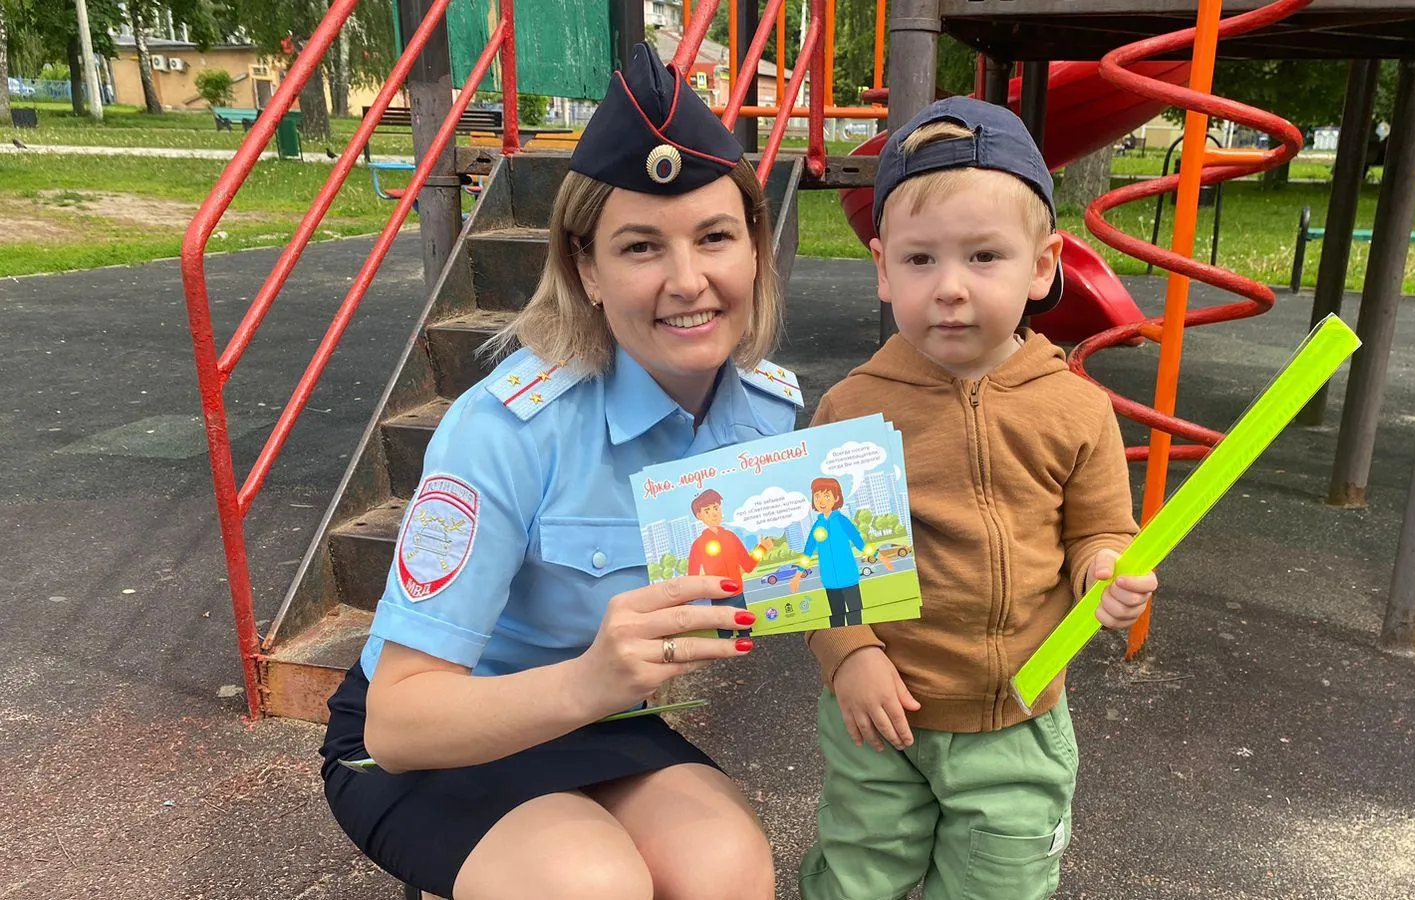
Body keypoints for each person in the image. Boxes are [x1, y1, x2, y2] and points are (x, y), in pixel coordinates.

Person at [318, 42, 801, 900]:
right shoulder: (502, 430)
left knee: (726, 869)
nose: (688, 281)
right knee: (590, 884)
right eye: (642, 247)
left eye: (716, 237)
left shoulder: (768, 413)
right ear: (587, 268)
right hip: (438, 731)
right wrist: (590, 679)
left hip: (602, 715)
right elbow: (399, 721)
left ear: (756, 247)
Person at [797, 97, 1160, 900]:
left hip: (1017, 720)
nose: (951, 288)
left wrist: (1105, 570)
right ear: (883, 268)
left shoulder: (1075, 407)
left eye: (984, 257)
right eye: (921, 261)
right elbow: (817, 568)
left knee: (999, 885)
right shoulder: (853, 409)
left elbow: (1098, 531)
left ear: (1041, 266)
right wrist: (849, 657)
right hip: (879, 719)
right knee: (857, 880)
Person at [686, 488, 773, 636]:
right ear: (699, 516)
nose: (714, 513)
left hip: (739, 597)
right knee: (724, 640)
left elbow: (748, 565)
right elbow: (692, 578)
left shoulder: (731, 537)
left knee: (747, 636)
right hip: (718, 600)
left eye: (716, 508)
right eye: (707, 510)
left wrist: (762, 548)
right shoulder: (698, 544)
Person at [798, 476, 867, 626]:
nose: (821, 501)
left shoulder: (842, 521)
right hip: (829, 581)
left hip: (849, 577)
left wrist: (880, 556)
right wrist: (797, 575)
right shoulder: (817, 525)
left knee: (855, 615)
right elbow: (808, 550)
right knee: (836, 618)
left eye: (826, 496)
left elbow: (859, 542)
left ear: (836, 498)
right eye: (817, 496)